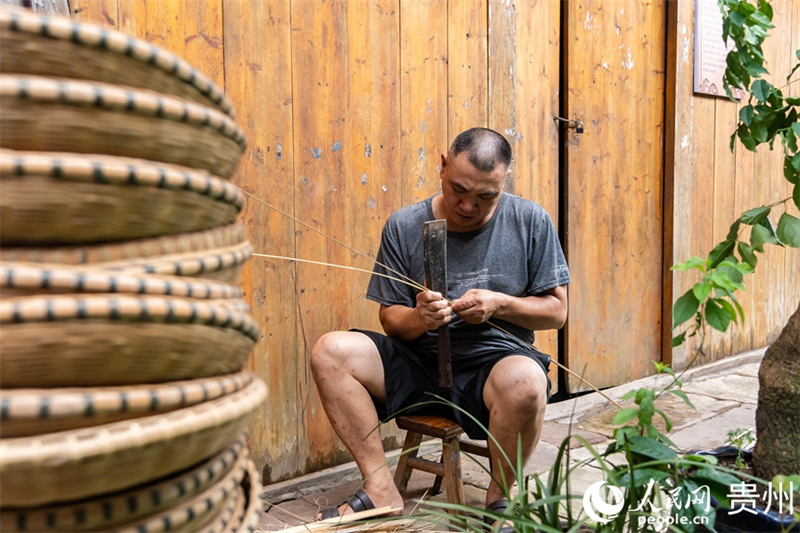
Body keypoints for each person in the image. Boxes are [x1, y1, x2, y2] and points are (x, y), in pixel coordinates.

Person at [310, 127, 570, 526]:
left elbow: (556, 312)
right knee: (330, 351)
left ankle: (499, 500)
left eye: (485, 197)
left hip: (493, 367)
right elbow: (390, 320)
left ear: (504, 182)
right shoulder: (404, 224)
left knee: (527, 382)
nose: (467, 206)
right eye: (458, 190)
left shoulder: (529, 220)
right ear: (442, 166)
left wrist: (499, 304)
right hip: (419, 361)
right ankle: (380, 488)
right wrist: (418, 317)